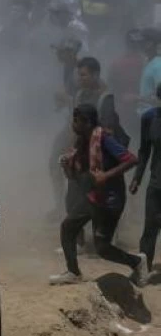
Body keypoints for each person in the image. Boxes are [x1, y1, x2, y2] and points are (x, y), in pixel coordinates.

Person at [51, 103, 148, 287]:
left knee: (102, 248)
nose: (73, 124)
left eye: (76, 120)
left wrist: (106, 175)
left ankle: (136, 262)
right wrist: (67, 165)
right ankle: (73, 272)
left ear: (87, 123)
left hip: (110, 200)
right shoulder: (82, 142)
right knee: (67, 227)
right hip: (93, 197)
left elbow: (131, 159)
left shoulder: (103, 138)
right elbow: (79, 175)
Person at [132, 84, 161, 272]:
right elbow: (144, 151)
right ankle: (143, 270)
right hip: (156, 183)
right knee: (150, 227)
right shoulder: (150, 118)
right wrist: (137, 177)